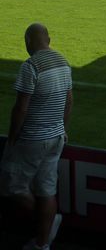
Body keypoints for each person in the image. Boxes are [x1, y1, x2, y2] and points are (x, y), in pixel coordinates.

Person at [0, 23, 73, 250]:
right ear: (48, 40)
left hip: (33, 139)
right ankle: (42, 244)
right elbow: (69, 100)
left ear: (28, 41)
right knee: (46, 189)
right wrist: (63, 127)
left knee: (11, 186)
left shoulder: (30, 66)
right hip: (56, 137)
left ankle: (47, 224)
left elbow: (20, 107)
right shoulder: (63, 62)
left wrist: (12, 136)